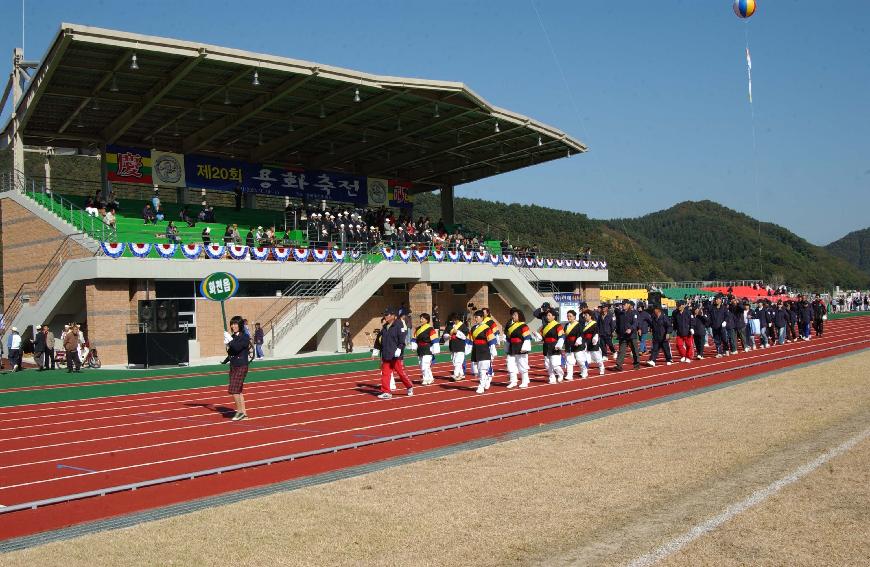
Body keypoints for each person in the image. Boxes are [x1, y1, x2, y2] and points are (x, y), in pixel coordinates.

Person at [377, 308, 414, 399]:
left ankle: (409, 386)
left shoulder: (399, 325)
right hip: (386, 354)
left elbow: (402, 339)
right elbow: (380, 338)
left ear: (393, 316)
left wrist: (399, 349)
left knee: (401, 373)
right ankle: (386, 392)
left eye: (387, 314)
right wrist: (376, 349)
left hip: (396, 355)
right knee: (385, 373)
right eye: (384, 314)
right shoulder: (385, 327)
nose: (385, 316)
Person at [223, 316, 251, 420]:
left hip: (241, 365)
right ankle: (244, 413)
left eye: (235, 324)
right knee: (238, 390)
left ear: (240, 325)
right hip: (234, 365)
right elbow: (231, 351)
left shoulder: (245, 337)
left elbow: (237, 347)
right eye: (232, 324)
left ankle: (239, 412)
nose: (233, 326)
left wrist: (230, 341)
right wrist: (225, 359)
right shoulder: (233, 337)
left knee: (234, 389)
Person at [468, 310, 497, 394]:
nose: (475, 319)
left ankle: (481, 386)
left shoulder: (486, 328)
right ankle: (487, 379)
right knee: (476, 370)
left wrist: (492, 351)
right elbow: (470, 340)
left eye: (476, 317)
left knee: (482, 369)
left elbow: (491, 340)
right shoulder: (473, 328)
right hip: (476, 350)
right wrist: (468, 348)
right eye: (474, 317)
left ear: (481, 318)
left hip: (484, 349)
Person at [504, 307, 532, 388]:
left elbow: (527, 338)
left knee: (522, 364)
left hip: (520, 347)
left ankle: (525, 381)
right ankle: (513, 381)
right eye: (513, 315)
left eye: (515, 315)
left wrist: (525, 348)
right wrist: (506, 347)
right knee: (510, 364)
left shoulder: (524, 326)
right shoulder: (511, 326)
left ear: (520, 316)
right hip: (512, 348)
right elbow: (508, 338)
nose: (513, 316)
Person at [411, 313, 440, 386]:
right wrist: (414, 346)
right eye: (420, 318)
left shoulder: (430, 329)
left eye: (422, 318)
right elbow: (414, 339)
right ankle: (430, 378)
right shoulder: (418, 329)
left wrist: (436, 349)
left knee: (425, 364)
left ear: (427, 320)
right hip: (420, 349)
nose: (421, 320)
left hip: (427, 348)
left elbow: (435, 339)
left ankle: (426, 379)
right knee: (422, 365)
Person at [539, 308, 565, 384]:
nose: (547, 317)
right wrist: (537, 335)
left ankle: (561, 374)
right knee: (548, 365)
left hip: (554, 346)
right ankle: (552, 378)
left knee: (555, 364)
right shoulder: (544, 326)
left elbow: (562, 336)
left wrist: (559, 345)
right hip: (546, 346)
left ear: (554, 316)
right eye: (547, 315)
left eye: (549, 315)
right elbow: (541, 337)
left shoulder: (558, 325)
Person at [615, 299, 640, 371]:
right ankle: (619, 365)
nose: (623, 306)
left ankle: (637, 364)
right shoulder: (621, 314)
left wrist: (631, 329)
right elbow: (618, 324)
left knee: (634, 350)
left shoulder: (633, 313)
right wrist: (617, 331)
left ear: (628, 305)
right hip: (623, 335)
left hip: (631, 335)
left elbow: (635, 323)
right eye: (622, 304)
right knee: (621, 350)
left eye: (624, 304)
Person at [579, 309, 605, 377]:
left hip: (592, 342)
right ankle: (584, 371)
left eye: (586, 315)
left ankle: (601, 367)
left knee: (597, 357)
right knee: (584, 358)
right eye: (584, 315)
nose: (584, 316)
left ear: (590, 316)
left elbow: (596, 332)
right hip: (585, 342)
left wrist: (595, 338)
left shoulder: (594, 324)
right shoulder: (582, 324)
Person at [444, 313, 470, 381]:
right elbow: (445, 334)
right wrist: (447, 336)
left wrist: (457, 332)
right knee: (454, 361)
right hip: (452, 345)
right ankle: (461, 374)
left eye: (455, 319)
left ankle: (455, 375)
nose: (454, 321)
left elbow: (464, 336)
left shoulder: (463, 326)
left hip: (460, 346)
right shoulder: (450, 326)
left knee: (458, 361)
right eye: (453, 319)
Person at [561, 309, 583, 381]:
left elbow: (581, 334)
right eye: (568, 316)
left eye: (570, 316)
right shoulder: (566, 325)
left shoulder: (578, 324)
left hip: (577, 344)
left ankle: (584, 370)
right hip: (568, 344)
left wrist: (578, 340)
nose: (569, 318)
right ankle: (569, 375)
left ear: (574, 317)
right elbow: (564, 334)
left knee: (579, 360)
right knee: (569, 360)